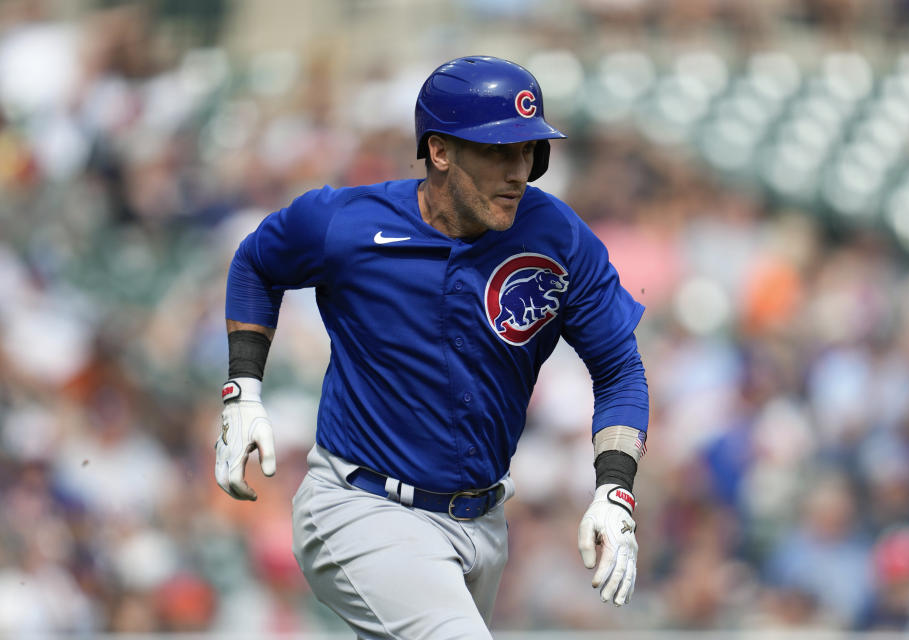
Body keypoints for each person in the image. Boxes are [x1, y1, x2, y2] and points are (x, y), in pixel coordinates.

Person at [216, 55, 650, 638]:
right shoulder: (346, 223)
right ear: (440, 151)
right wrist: (243, 391)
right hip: (361, 505)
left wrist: (613, 489)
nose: (518, 170)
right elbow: (255, 263)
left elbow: (620, 370)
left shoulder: (560, 238)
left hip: (484, 523)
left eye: (527, 151)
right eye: (497, 150)